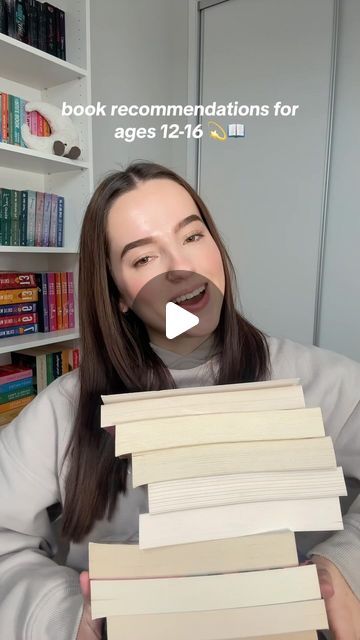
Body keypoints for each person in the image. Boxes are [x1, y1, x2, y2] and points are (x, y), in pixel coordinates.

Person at [0, 161, 359, 640]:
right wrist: (67, 617)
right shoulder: (60, 411)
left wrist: (344, 567)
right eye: (143, 258)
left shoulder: (328, 383)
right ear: (118, 294)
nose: (181, 268)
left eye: (191, 237)